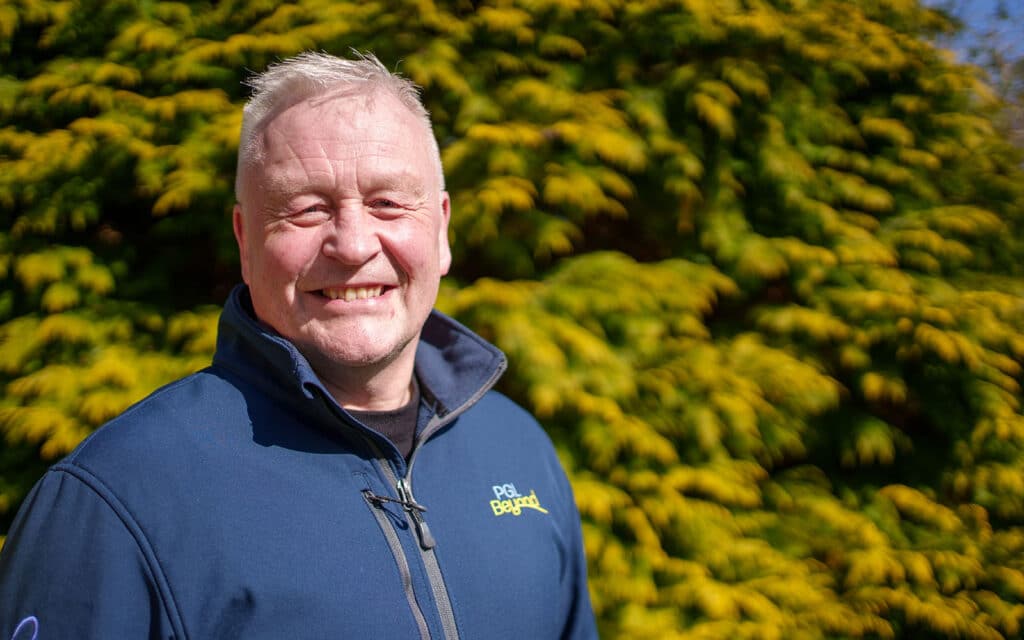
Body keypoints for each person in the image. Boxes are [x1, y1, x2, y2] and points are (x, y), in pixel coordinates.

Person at [0, 51, 597, 639]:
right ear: (244, 238)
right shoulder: (115, 500)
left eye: (388, 202)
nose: (354, 243)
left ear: (441, 229)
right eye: (306, 209)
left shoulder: (520, 452)